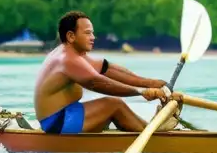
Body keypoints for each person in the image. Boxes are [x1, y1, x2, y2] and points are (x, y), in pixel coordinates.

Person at [34, 11, 180, 134]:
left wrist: (151, 83)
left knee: (112, 107)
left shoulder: (72, 54)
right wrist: (142, 91)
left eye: (92, 33)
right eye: (87, 33)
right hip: (56, 122)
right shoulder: (67, 60)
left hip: (67, 114)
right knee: (113, 104)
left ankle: (143, 129)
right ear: (71, 36)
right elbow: (98, 82)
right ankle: (152, 133)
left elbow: (108, 69)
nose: (93, 37)